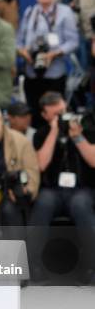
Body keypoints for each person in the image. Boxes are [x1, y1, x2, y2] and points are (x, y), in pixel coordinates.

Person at [17, 0, 79, 129]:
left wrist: (54, 54)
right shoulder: (30, 12)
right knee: (35, 117)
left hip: (54, 75)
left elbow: (73, 42)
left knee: (56, 119)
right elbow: (18, 41)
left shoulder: (65, 12)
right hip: (32, 74)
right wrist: (23, 52)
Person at [28, 92, 95, 226]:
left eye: (64, 112)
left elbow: (93, 161)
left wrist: (77, 137)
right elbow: (41, 164)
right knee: (43, 203)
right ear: (44, 115)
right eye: (56, 115)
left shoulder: (85, 129)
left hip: (82, 188)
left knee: (80, 205)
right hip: (52, 189)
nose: (62, 117)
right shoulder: (41, 134)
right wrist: (54, 131)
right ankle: (32, 247)